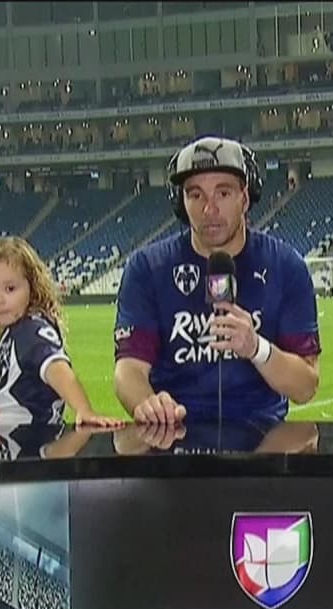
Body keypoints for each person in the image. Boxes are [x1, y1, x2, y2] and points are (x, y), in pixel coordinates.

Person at [113, 136, 321, 424]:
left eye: (223, 193)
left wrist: (256, 348)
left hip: (262, 434)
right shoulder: (147, 268)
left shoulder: (286, 266)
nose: (209, 210)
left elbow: (306, 386)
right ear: (181, 202)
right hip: (174, 431)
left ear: (245, 198)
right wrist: (147, 404)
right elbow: (129, 369)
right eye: (195, 195)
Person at [0, 235, 124, 429]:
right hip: (6, 442)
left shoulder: (31, 331)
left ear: (32, 288)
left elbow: (56, 368)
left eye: (10, 289)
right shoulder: (6, 337)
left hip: (32, 443)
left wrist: (83, 409)